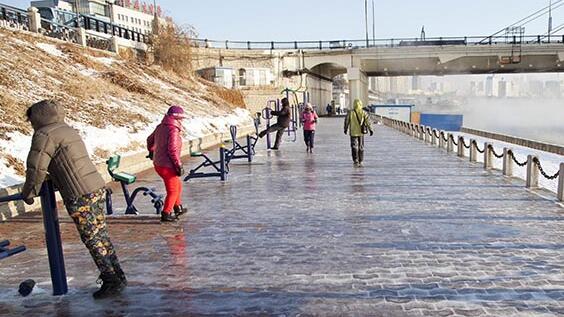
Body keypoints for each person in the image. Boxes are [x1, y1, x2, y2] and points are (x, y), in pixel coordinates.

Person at [21, 100, 126, 299]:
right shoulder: (67, 129)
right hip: (95, 186)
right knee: (101, 235)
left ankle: (111, 280)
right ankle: (117, 276)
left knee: (92, 237)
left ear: (36, 117)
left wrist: (30, 192)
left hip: (79, 193)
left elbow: (36, 167)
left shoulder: (44, 134)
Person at [147, 106, 188, 223]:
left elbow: (149, 139)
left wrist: (151, 151)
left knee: (177, 185)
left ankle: (177, 207)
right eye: (181, 119)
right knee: (173, 190)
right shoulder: (173, 130)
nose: (182, 121)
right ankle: (166, 213)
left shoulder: (160, 127)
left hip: (159, 163)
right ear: (177, 118)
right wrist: (178, 165)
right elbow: (172, 149)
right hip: (167, 165)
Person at [344, 99, 374, 167]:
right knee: (361, 146)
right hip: (361, 132)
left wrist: (345, 129)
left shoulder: (350, 113)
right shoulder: (363, 112)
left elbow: (346, 121)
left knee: (354, 146)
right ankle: (361, 160)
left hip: (353, 132)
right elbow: (368, 122)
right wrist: (371, 130)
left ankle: (355, 160)